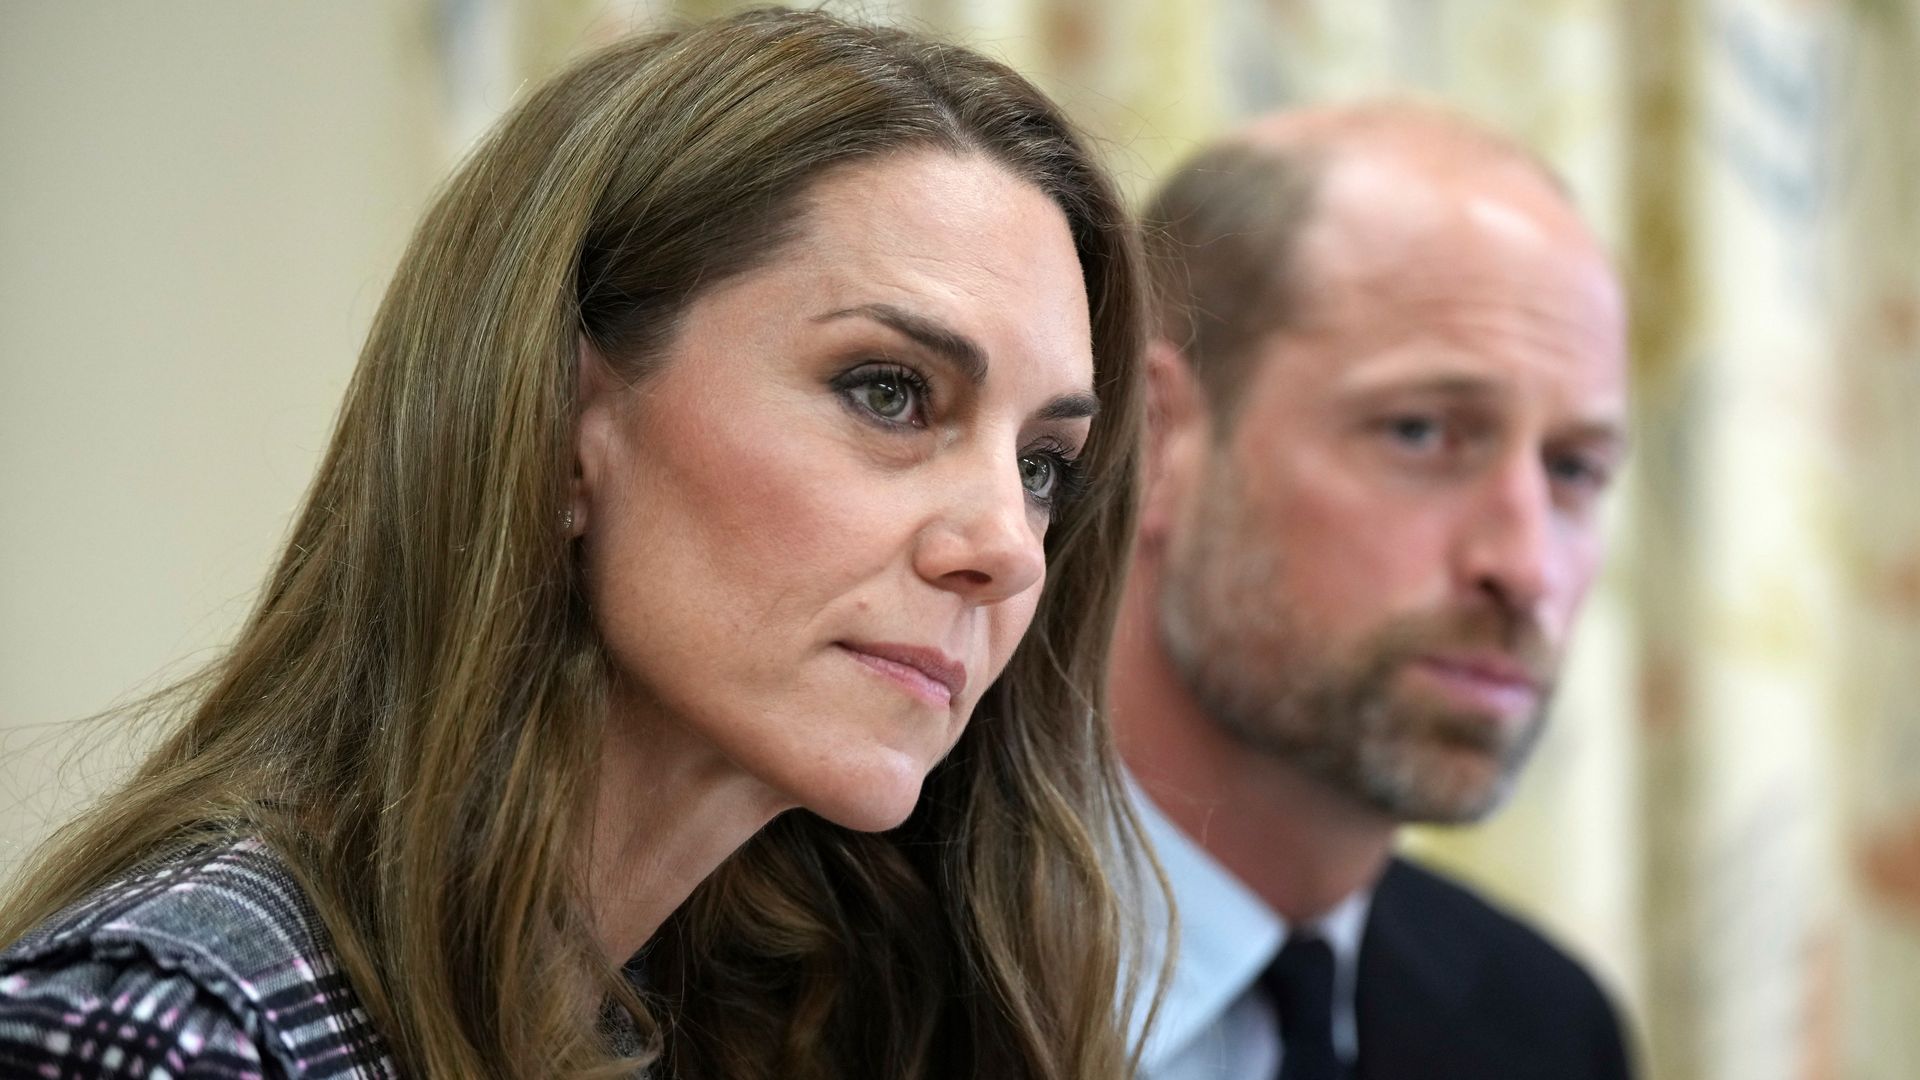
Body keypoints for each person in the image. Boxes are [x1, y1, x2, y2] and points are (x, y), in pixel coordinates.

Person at [0, 9, 1161, 1078]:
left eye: (1042, 465)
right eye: (890, 393)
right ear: (561, 425)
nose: (1008, 547)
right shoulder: (170, 1039)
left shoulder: (761, 1022)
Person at [1115, 103, 1635, 1079]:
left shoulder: (1547, 1030)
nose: (1526, 568)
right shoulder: (814, 975)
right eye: (1422, 433)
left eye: (1572, 469)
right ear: (1151, 442)